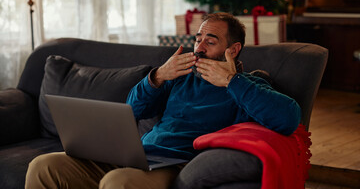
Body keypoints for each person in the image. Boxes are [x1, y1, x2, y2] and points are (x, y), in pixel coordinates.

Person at [25, 12, 301, 189]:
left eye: (210, 41)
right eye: (198, 39)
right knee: (44, 165)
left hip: (175, 165)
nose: (200, 47)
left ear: (233, 49)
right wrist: (157, 77)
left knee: (118, 182)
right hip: (138, 156)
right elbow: (132, 110)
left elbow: (288, 118)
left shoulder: (247, 86)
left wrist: (231, 81)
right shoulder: (180, 76)